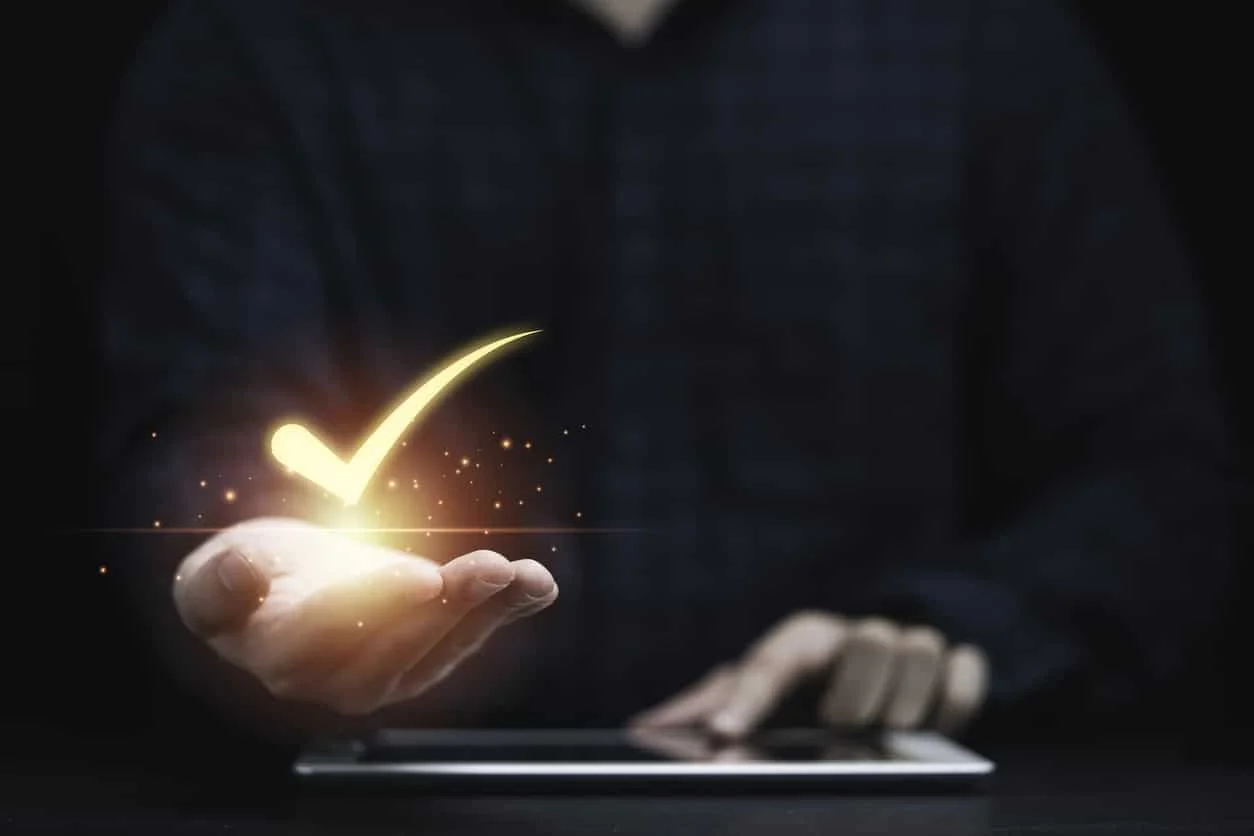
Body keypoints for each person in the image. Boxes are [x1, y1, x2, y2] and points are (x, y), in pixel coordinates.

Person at [95, 0, 1241, 742]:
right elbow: (212, 419)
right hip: (382, 797)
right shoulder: (255, 42)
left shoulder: (980, 38)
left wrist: (953, 635)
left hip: (853, 801)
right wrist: (249, 560)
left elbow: (1156, 469)